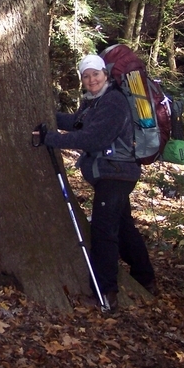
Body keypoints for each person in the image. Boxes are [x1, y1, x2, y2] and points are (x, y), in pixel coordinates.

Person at [35, 54, 155, 311]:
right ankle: (145, 277)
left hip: (116, 175)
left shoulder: (113, 102)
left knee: (103, 232)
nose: (91, 80)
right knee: (123, 226)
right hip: (113, 173)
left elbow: (93, 139)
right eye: (86, 76)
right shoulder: (94, 103)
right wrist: (45, 114)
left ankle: (106, 293)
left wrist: (50, 139)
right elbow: (77, 123)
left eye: (95, 75)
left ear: (105, 75)